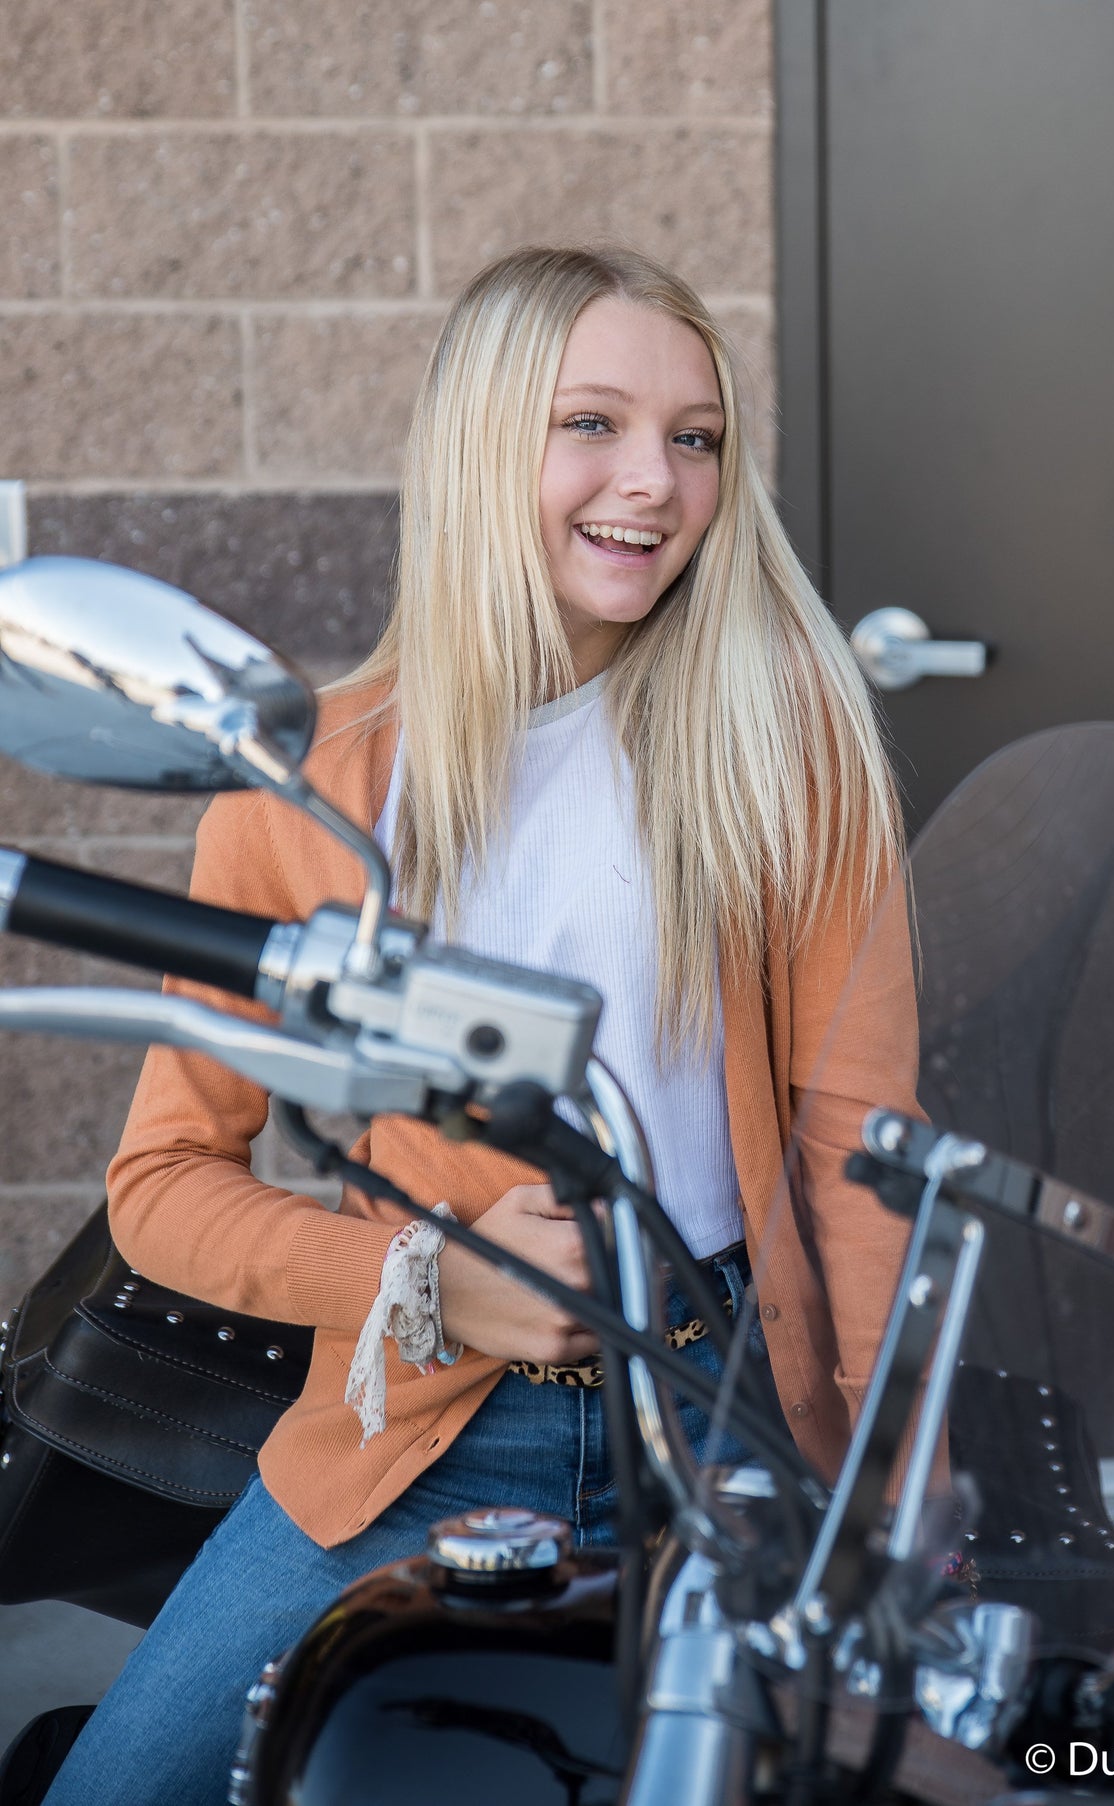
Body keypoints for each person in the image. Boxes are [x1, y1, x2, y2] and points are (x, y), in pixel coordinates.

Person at [43, 245, 919, 1804]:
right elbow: (162, 1188)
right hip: (419, 1437)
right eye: (592, 423)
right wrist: (420, 1282)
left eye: (695, 436)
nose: (652, 479)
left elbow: (856, 1142)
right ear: (482, 442)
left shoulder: (782, 748)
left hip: (721, 1425)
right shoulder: (311, 785)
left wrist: (888, 1479)